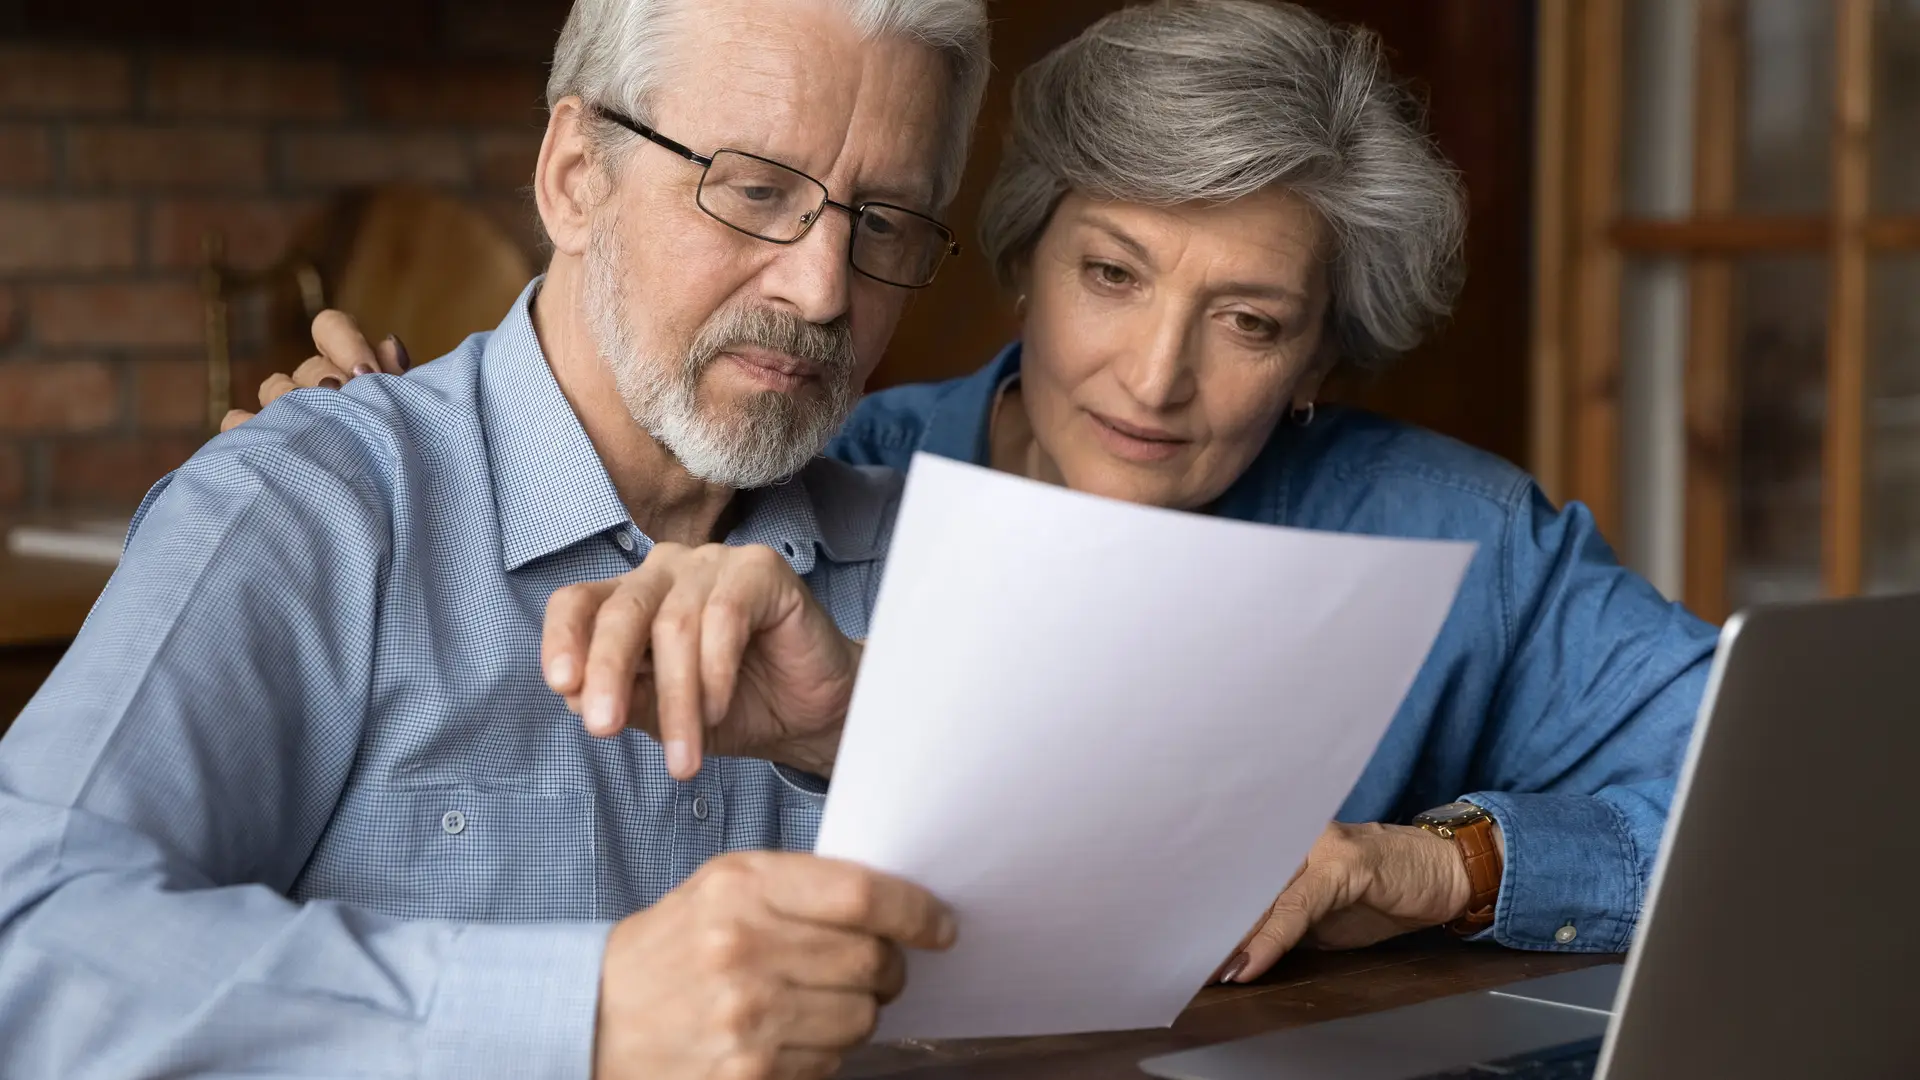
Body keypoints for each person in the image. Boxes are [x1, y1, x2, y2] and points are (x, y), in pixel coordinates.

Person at [251, 0, 1718, 991]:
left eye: (1251, 321)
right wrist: (411, 455)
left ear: (1324, 352)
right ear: (1022, 257)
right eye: (1112, 276)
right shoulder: (817, 478)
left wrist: (1431, 865)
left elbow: (1785, 803)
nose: (1154, 379)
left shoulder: (1458, 536)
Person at [0, 1, 993, 1077]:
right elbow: (29, 950)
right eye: (756, 190)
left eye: (885, 220)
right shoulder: (307, 508)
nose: (823, 288)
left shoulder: (937, 563)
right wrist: (589, 1014)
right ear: (574, 174)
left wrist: (865, 736)